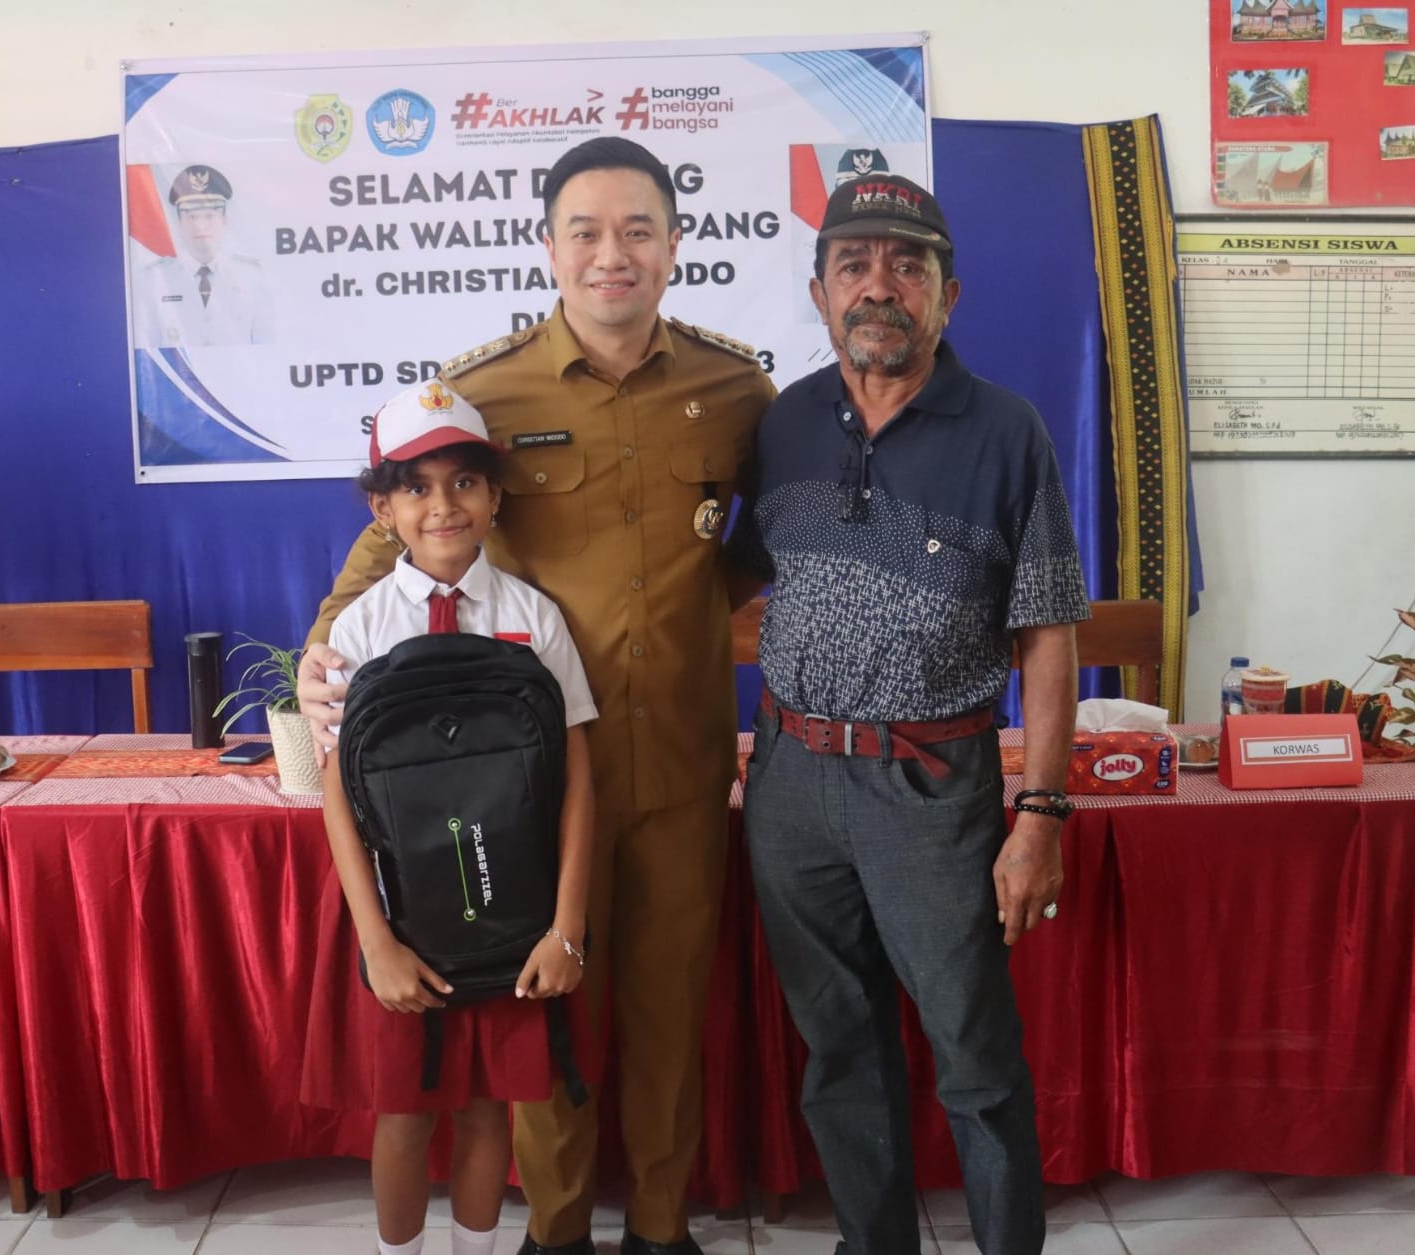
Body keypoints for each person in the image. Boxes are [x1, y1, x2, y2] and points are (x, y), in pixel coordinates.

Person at [299, 136, 776, 1255]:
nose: (613, 255)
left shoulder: (735, 388)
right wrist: (324, 648)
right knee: (547, 1011)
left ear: (674, 245)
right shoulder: (487, 389)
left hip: (681, 766)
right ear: (549, 248)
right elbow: (397, 537)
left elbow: (759, 542)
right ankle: (556, 1231)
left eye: (638, 230)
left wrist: (695, 611)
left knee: (669, 1015)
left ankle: (660, 1226)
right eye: (586, 232)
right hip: (533, 785)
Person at [727, 174, 1090, 1255]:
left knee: (974, 1054)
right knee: (838, 1047)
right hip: (792, 785)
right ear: (818, 290)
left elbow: (1048, 635)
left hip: (932, 792)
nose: (878, 286)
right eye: (854, 264)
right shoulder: (784, 423)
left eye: (906, 265)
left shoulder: (1006, 431)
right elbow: (735, 579)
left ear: (948, 293)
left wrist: (1041, 815)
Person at [320, 379, 598, 1255]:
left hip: (511, 918)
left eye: (464, 481)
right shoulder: (359, 629)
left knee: (486, 1108)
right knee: (404, 1114)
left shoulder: (532, 617)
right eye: (416, 486)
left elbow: (578, 779)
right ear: (383, 509)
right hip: (408, 921)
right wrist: (376, 942)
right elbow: (336, 793)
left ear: (495, 495)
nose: (443, 505)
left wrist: (566, 928)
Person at [132, 163, 274, 347]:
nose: (200, 226)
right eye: (192, 217)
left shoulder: (251, 277)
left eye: (209, 216)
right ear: (179, 222)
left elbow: (266, 346)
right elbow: (147, 349)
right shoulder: (155, 279)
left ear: (224, 220)